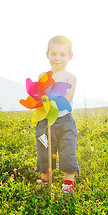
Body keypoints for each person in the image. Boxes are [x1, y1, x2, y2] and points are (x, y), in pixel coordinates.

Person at [36, 35, 79, 193]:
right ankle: (46, 181)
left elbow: (68, 98)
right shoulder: (42, 76)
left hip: (65, 123)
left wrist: (51, 98)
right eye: (53, 54)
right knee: (45, 153)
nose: (57, 58)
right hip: (44, 123)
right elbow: (39, 96)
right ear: (47, 54)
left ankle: (68, 184)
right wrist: (43, 99)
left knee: (68, 152)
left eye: (62, 54)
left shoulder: (71, 77)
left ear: (70, 56)